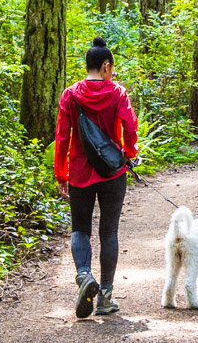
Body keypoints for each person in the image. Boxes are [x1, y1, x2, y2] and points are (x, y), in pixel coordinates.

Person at [54, 36, 139, 318]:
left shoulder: (70, 94)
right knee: (109, 232)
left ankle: (83, 275)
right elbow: (130, 126)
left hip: (79, 172)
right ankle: (105, 297)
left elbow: (62, 136)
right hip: (112, 172)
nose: (112, 72)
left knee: (80, 229)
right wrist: (129, 152)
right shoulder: (118, 93)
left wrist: (61, 173)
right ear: (105, 66)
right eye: (111, 67)